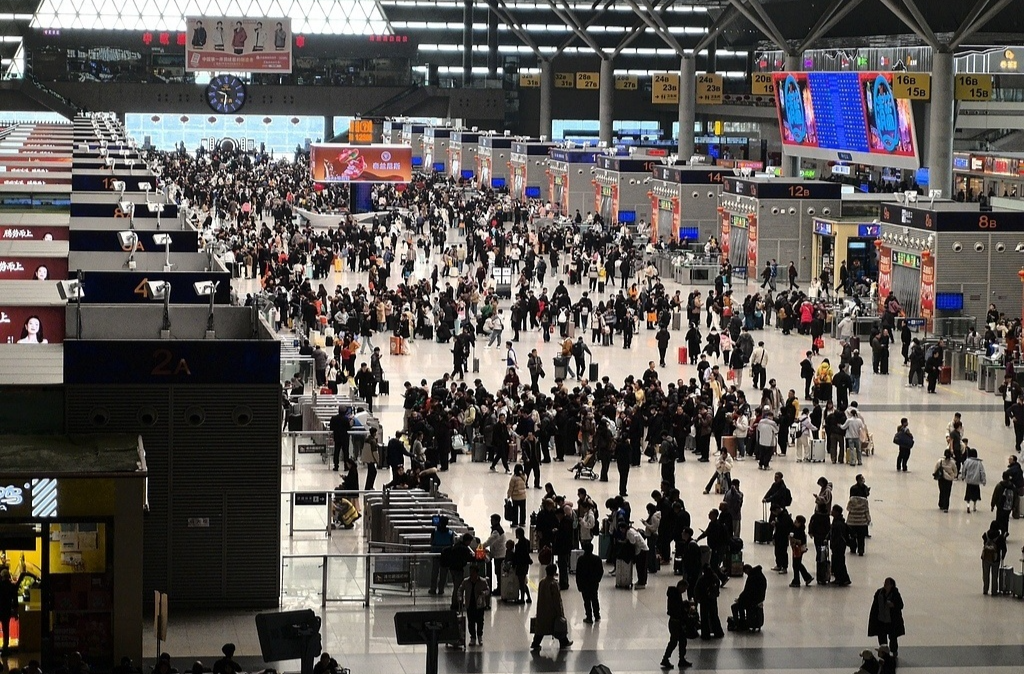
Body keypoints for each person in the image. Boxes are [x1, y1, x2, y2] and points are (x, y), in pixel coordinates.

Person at [529, 564, 572, 651]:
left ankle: (535, 643)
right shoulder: (554, 584)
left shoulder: (542, 582)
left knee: (541, 629)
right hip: (551, 611)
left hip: (542, 609)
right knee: (557, 627)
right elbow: (557, 600)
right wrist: (560, 612)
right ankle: (564, 641)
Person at [867, 577, 905, 659]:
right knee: (882, 637)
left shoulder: (895, 594)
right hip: (881, 620)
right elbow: (875, 606)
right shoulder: (879, 593)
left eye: (887, 584)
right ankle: (883, 652)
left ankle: (894, 651)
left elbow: (900, 605)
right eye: (884, 583)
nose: (885, 585)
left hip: (892, 620)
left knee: (893, 637)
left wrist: (893, 605)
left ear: (891, 585)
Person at [661, 580, 694, 669]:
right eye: (684, 588)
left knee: (681, 640)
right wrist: (686, 611)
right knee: (674, 642)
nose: (684, 591)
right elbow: (678, 609)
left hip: (674, 622)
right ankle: (667, 659)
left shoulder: (674, 594)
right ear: (681, 586)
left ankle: (679, 659)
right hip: (676, 622)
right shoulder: (675, 595)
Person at [458, 565, 490, 646]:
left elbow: (487, 590)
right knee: (471, 622)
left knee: (480, 621)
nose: (471, 574)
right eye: (470, 572)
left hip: (479, 605)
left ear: (477, 573)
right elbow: (460, 589)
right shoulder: (466, 581)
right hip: (470, 604)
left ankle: (479, 636)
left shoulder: (482, 581)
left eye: (473, 572)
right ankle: (473, 637)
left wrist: (483, 593)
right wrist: (460, 597)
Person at [574, 540, 603, 623]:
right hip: (594, 583)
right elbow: (601, 571)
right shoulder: (597, 559)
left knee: (586, 601)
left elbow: (578, 573)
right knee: (595, 599)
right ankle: (597, 615)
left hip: (584, 584)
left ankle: (589, 617)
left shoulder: (581, 560)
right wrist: (597, 580)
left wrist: (579, 584)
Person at [693, 564, 724, 640]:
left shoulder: (702, 579)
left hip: (704, 600)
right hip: (712, 600)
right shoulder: (715, 578)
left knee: (704, 617)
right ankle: (718, 632)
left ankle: (705, 634)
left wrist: (697, 600)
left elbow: (696, 590)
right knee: (714, 616)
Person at [428, 516, 456, 596]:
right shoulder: (451, 533)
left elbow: (432, 543)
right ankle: (441, 589)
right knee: (443, 573)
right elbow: (452, 544)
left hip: (436, 554)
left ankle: (433, 589)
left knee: (434, 572)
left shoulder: (434, 532)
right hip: (446, 556)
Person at [481, 514, 507, 596]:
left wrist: (481, 546)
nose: (491, 521)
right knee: (498, 572)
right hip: (498, 554)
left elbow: (490, 541)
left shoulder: (497, 531)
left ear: (496, 521)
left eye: (492, 520)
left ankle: (500, 589)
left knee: (499, 573)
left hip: (500, 555)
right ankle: (499, 588)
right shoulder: (497, 529)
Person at [981, 520, 1008, 594]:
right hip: (996, 559)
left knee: (986, 574)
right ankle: (994, 591)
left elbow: (984, 542)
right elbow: (1004, 549)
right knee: (995, 575)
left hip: (986, 558)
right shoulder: (1000, 537)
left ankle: (985, 589)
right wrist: (1002, 556)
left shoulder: (986, 535)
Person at [789, 514, 813, 587]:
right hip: (796, 549)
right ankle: (805, 577)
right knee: (797, 564)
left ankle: (798, 580)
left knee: (796, 564)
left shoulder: (800, 532)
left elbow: (801, 541)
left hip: (798, 549)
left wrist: (794, 540)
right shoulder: (795, 529)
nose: (795, 522)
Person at [830, 504, 851, 586]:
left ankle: (843, 578)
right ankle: (840, 578)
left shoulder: (838, 523)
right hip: (839, 545)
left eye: (833, 510)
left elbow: (838, 535)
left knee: (839, 562)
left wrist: (834, 544)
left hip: (838, 546)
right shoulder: (838, 521)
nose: (831, 512)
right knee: (838, 562)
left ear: (837, 512)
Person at [961, 447, 987, 513]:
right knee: (975, 494)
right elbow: (982, 472)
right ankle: (974, 506)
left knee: (968, 493)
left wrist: (963, 477)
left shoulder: (967, 461)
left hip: (969, 480)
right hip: (976, 481)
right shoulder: (979, 463)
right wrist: (983, 480)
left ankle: (968, 505)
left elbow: (964, 469)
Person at [512, 527, 533, 603]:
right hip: (525, 564)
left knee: (521, 582)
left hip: (520, 565)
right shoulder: (527, 542)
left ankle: (522, 599)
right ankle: (528, 597)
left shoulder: (518, 545)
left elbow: (517, 556)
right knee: (523, 581)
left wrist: (514, 564)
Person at [329, 405, 352, 471]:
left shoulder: (334, 418)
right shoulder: (346, 419)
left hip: (337, 437)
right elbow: (348, 428)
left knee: (336, 452)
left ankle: (336, 466)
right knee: (345, 452)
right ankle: (346, 466)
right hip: (344, 437)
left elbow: (331, 427)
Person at [0, 567, 17, 653]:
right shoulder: (12, 587)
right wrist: (16, 612)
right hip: (7, 610)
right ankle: (5, 646)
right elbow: (15, 600)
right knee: (6, 628)